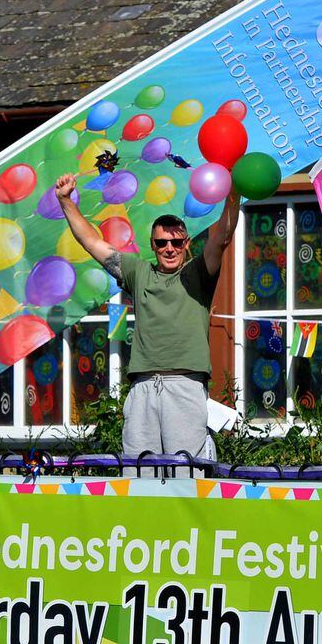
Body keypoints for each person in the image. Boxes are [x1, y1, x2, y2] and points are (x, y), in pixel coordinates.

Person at [55, 173, 240, 456]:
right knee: (140, 470)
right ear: (152, 245)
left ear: (187, 244)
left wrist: (233, 194)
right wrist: (65, 200)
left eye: (177, 243)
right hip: (143, 387)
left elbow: (223, 237)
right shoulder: (138, 272)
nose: (169, 248)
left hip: (185, 385)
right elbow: (91, 242)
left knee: (187, 471)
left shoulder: (198, 273)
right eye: (162, 242)